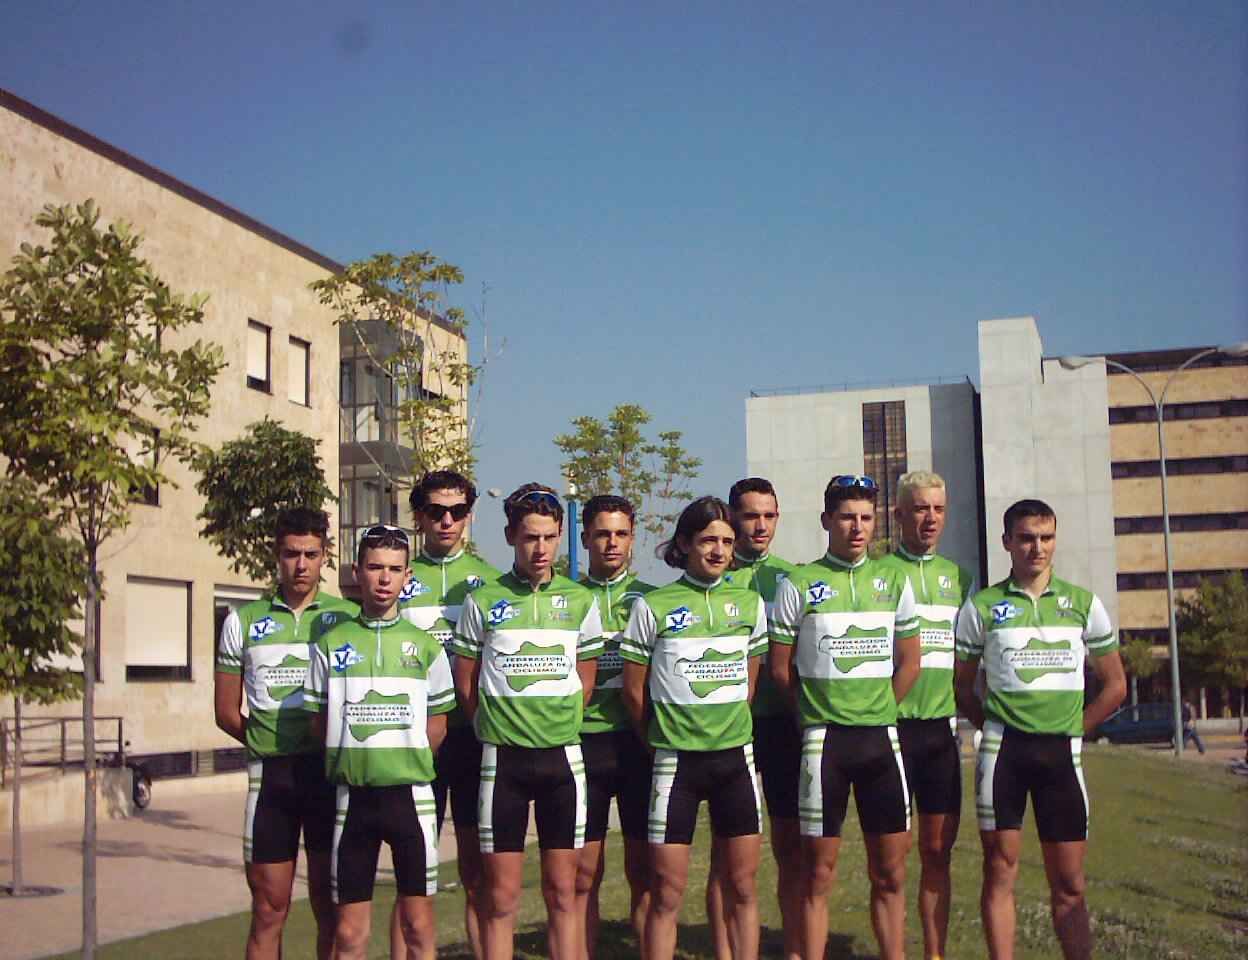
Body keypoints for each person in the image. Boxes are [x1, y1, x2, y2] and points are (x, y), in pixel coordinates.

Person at [954, 499, 1126, 960]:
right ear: (1007, 542)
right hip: (1003, 757)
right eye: (1027, 538)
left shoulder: (1083, 604)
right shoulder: (982, 607)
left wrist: (1076, 730)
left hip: (1061, 758)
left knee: (1070, 883)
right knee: (999, 870)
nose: (1037, 547)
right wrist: (993, 728)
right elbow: (962, 687)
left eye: (1046, 537)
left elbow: (1115, 685)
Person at [770, 474, 921, 960]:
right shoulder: (799, 583)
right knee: (817, 873)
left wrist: (880, 709)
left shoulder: (893, 581)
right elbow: (780, 668)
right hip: (824, 744)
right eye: (846, 518)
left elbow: (910, 662)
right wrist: (810, 716)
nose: (857, 528)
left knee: (891, 872)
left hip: (880, 742)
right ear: (826, 521)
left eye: (865, 518)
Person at [452, 483, 604, 960]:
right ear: (510, 537)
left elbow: (585, 680)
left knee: (563, 893)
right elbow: (466, 683)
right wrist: (498, 726)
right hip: (503, 763)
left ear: (560, 536)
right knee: (500, 899)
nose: (541, 549)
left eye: (549, 537)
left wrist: (554, 722)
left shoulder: (580, 600)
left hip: (562, 760)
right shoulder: (483, 601)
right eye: (530, 538)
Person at [621, 496, 768, 960]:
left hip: (734, 762)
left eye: (726, 541)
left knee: (743, 887)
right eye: (707, 540)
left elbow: (749, 681)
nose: (719, 550)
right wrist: (659, 740)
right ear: (684, 544)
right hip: (675, 765)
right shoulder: (653, 606)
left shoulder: (749, 603)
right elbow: (634, 691)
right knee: (666, 892)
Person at [303, 523, 455, 960]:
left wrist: (404, 760)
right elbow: (318, 722)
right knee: (350, 934)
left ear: (408, 576)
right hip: (353, 799)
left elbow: (438, 724)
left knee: (418, 928)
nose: (384, 578)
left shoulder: (426, 647)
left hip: (411, 798)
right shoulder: (331, 644)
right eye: (374, 567)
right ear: (357, 572)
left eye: (394, 569)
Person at [214, 507, 358, 960]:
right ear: (276, 555)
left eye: (311, 554)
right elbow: (225, 712)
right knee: (268, 909)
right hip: (271, 780)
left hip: (326, 776)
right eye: (292, 554)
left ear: (325, 555)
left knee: (330, 908)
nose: (301, 565)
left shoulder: (346, 618)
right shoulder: (243, 621)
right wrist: (269, 743)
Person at [393, 470, 500, 960]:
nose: (447, 520)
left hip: (471, 738)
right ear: (419, 516)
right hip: (415, 740)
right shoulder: (398, 577)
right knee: (414, 873)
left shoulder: (489, 580)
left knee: (478, 871)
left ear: (469, 517)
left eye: (457, 511)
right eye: (436, 511)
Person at [876, 471, 975, 960]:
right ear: (898, 514)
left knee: (938, 853)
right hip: (891, 732)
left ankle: (935, 953)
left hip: (940, 733)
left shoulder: (959, 578)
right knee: (890, 864)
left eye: (937, 508)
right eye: (919, 508)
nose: (930, 518)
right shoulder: (878, 574)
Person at [706, 477, 800, 960]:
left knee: (791, 847)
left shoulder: (793, 578)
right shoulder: (713, 575)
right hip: (729, 729)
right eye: (750, 515)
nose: (760, 525)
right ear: (733, 517)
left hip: (782, 724)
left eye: (769, 515)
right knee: (726, 855)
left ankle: (795, 946)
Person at [574, 495, 655, 958]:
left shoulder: (651, 598)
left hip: (637, 743)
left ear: (632, 539)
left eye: (621, 534)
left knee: (644, 870)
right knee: (584, 873)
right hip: (584, 745)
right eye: (602, 533)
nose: (611, 543)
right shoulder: (567, 598)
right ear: (585, 537)